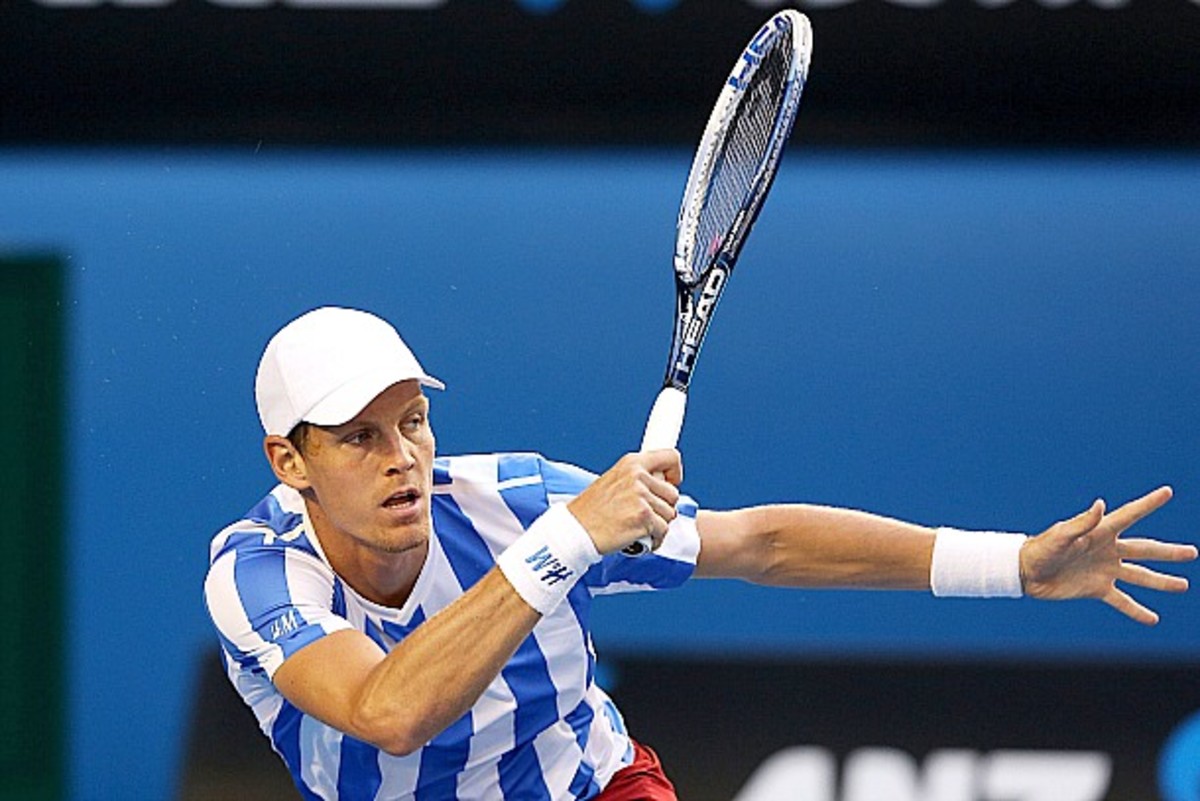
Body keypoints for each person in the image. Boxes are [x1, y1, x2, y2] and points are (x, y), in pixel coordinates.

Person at [204, 305, 1196, 801]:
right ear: (289, 459)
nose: (403, 458)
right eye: (359, 438)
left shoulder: (514, 501)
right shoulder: (255, 576)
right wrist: (566, 542)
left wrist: (1015, 564)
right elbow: (392, 715)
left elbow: (760, 543)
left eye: (413, 423)